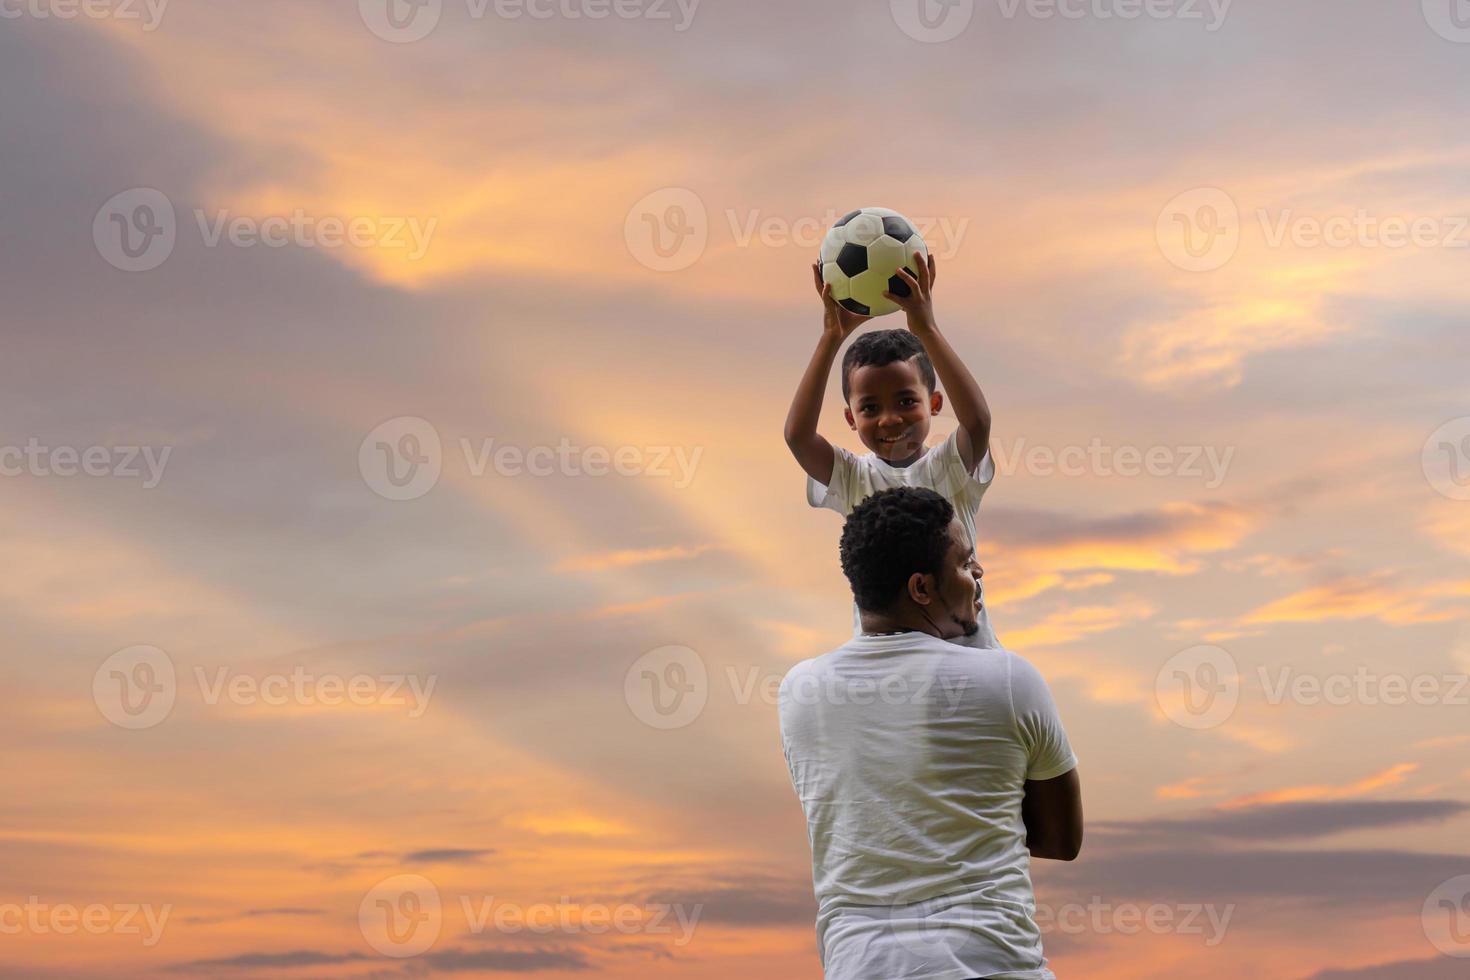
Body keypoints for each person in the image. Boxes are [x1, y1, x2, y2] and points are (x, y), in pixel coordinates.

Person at [778, 486, 1083, 980]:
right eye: (964, 564)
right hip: (993, 966)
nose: (978, 574)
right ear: (921, 589)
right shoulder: (1007, 679)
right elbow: (1060, 839)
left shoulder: (799, 690)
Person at [785, 252, 1000, 648]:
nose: (889, 419)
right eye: (869, 408)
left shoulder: (951, 467)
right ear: (850, 419)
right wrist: (831, 337)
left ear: (934, 404)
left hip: (967, 657)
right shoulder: (852, 477)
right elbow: (798, 436)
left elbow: (978, 422)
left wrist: (927, 328)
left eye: (906, 401)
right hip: (886, 661)